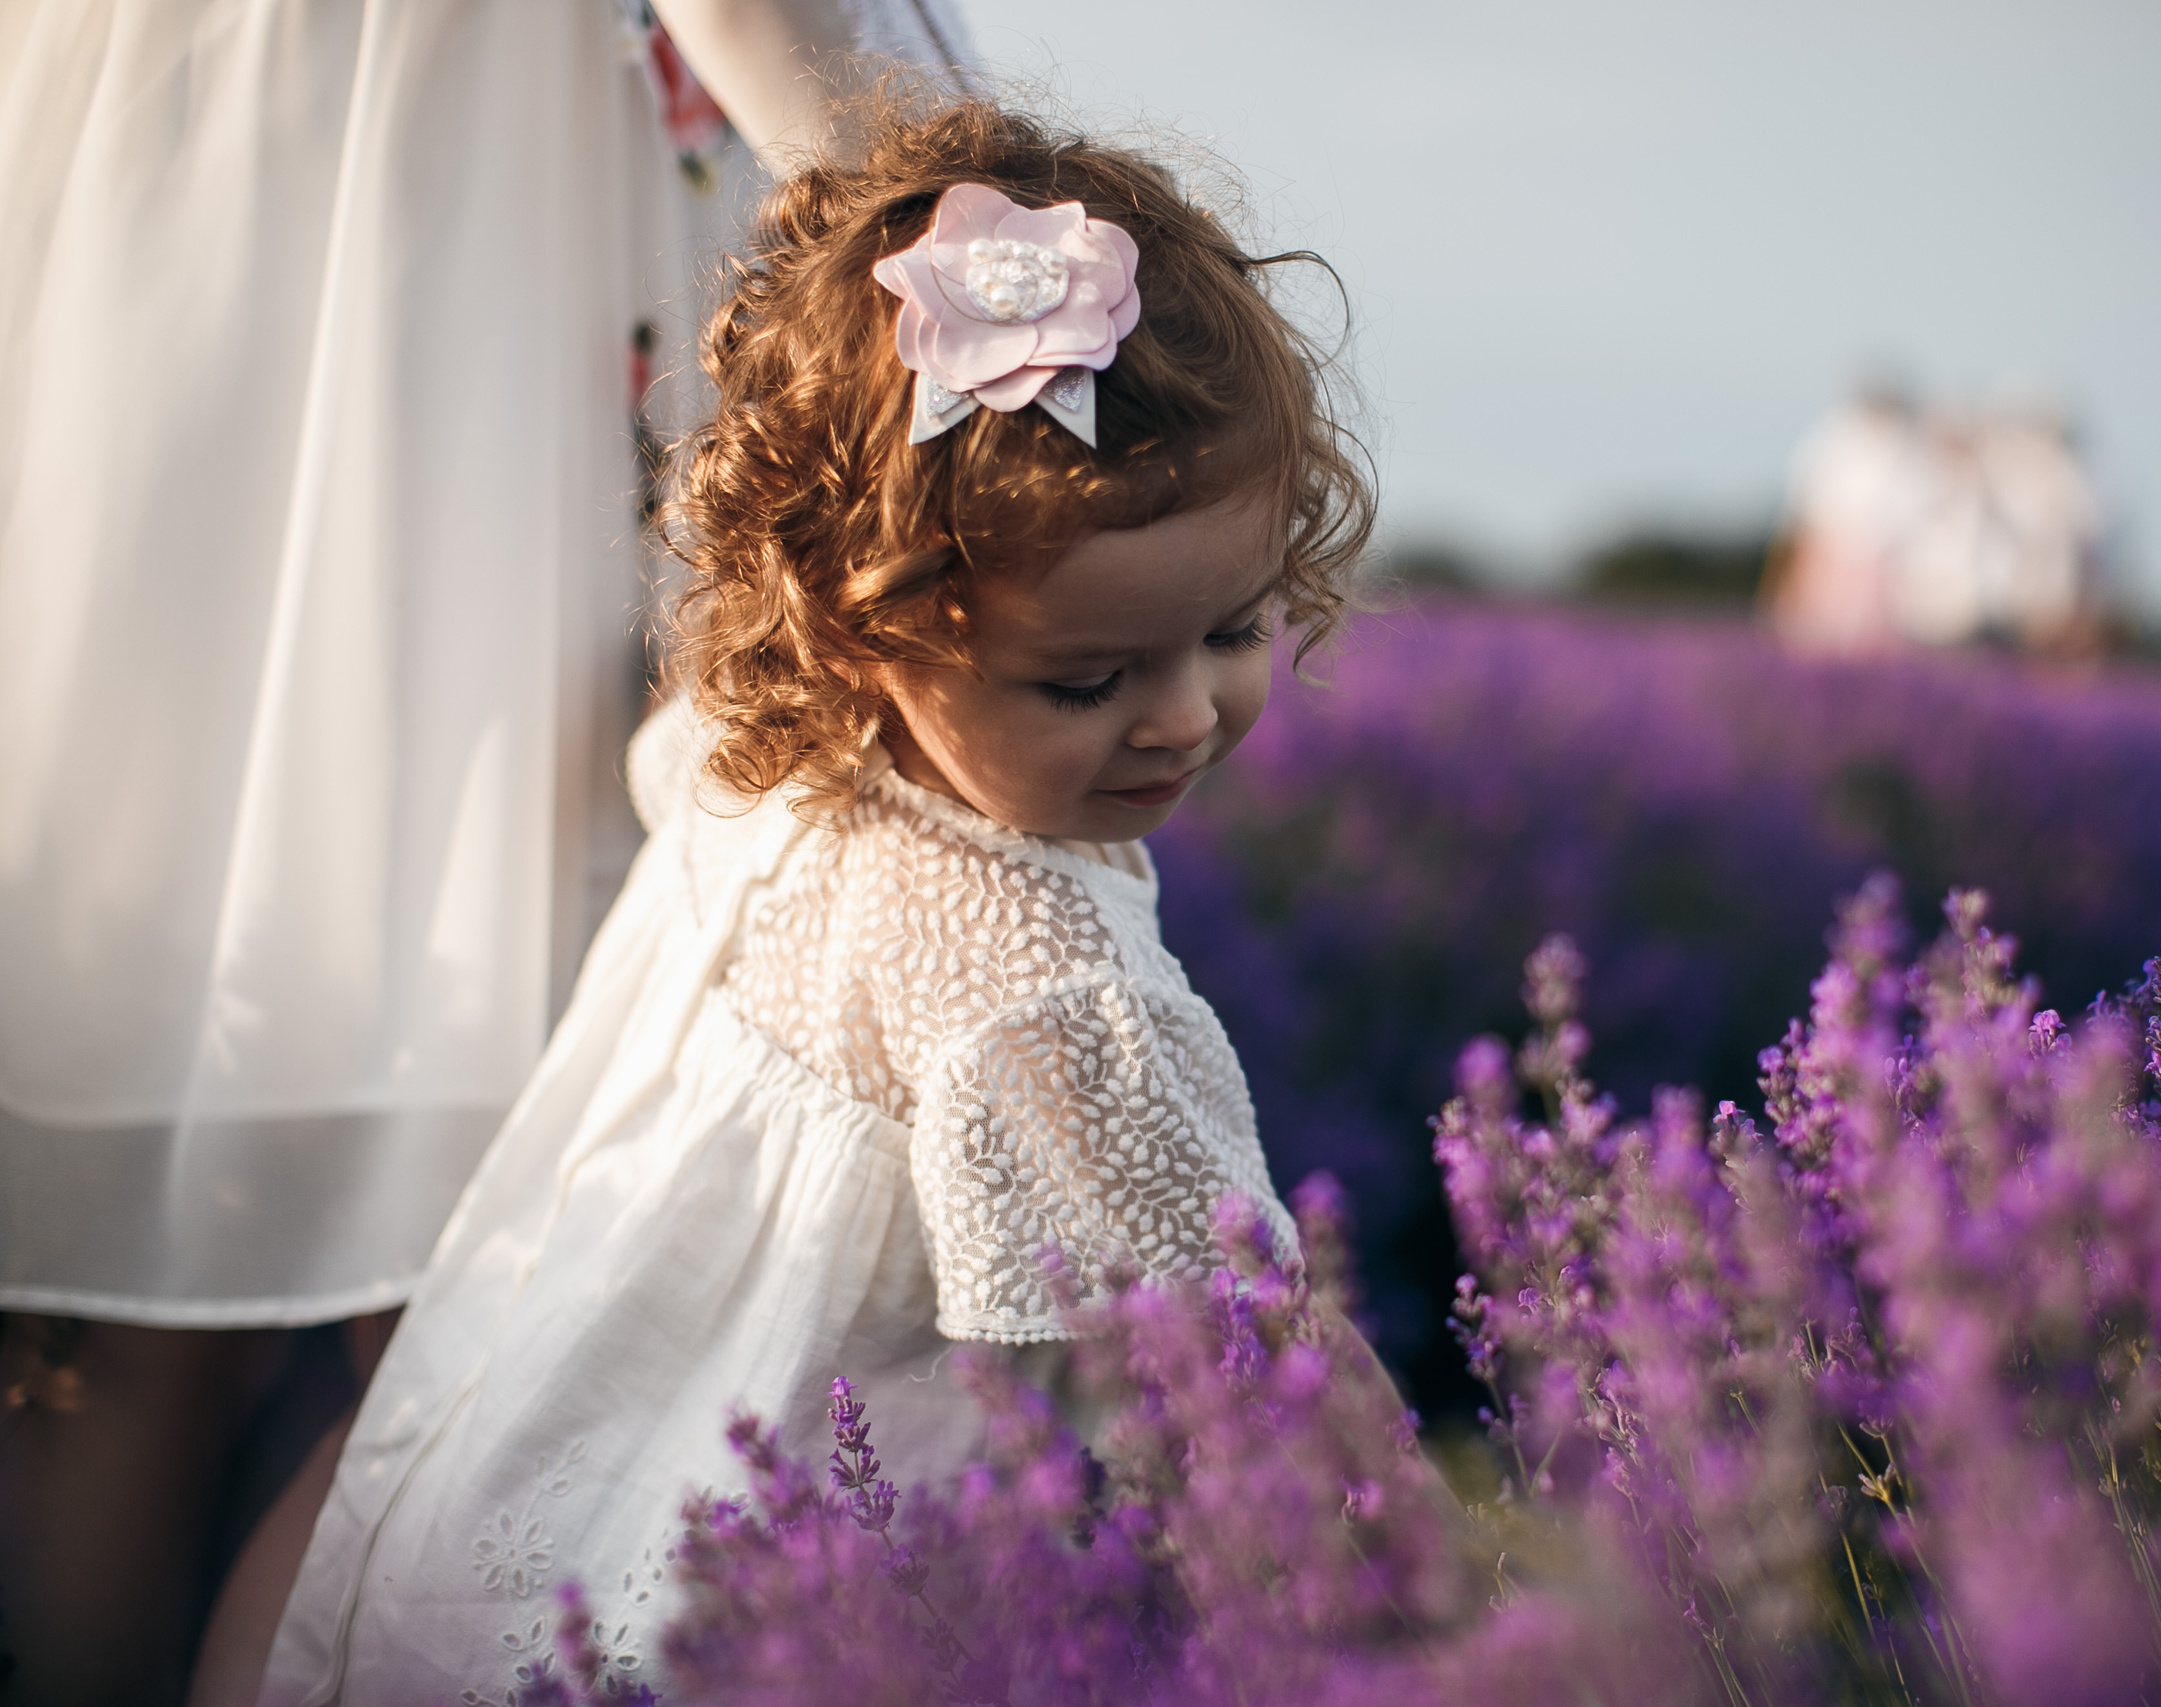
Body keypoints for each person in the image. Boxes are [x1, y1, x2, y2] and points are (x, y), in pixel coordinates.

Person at [242, 97, 1376, 1701]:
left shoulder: (751, 747)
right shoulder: (1046, 992)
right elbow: (1253, 1398)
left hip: (498, 1465)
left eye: (1236, 629)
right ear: (865, 636)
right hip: (760, 1610)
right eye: (1091, 678)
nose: (1185, 714)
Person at [0, 3, 971, 1700]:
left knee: (148, 1299)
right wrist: (1003, 287)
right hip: (463, 306)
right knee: (492, 1307)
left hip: (173, 246)